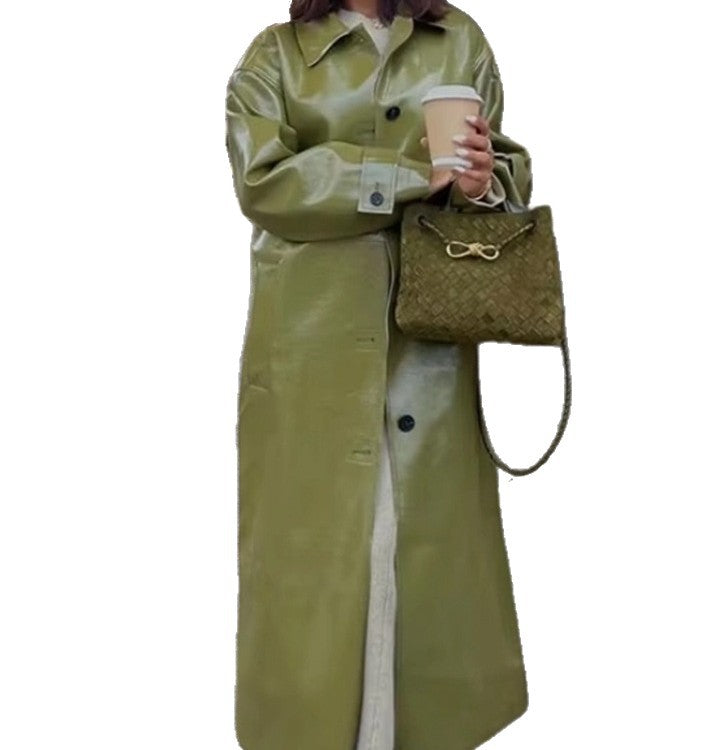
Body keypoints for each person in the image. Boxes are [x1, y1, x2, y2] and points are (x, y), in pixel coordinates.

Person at [224, 2, 533, 749]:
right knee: (318, 558)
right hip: (310, 353)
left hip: (430, 351)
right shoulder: (276, 55)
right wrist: (410, 176)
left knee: (425, 552)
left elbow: (509, 172)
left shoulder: (460, 40)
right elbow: (262, 182)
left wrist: (483, 180)